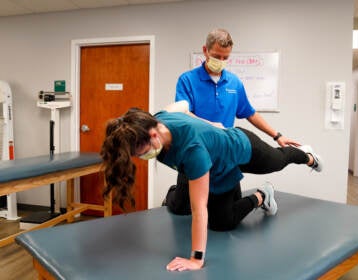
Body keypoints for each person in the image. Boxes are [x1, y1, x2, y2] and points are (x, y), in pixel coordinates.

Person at [100, 101, 323, 272]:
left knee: (277, 161)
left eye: (142, 152)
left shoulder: (192, 150)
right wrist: (208, 124)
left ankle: (302, 159)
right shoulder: (157, 118)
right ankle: (258, 197)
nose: (143, 157)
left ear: (154, 134)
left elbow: (199, 211)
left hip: (242, 150)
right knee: (196, 213)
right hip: (210, 166)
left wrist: (196, 259)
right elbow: (183, 105)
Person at [171, 28, 304, 205]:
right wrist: (211, 125)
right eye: (217, 56)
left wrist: (277, 135)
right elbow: (183, 114)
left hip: (224, 154)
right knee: (181, 208)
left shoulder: (234, 82)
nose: (221, 61)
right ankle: (172, 193)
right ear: (205, 50)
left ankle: (263, 196)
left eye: (226, 57)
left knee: (228, 214)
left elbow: (250, 113)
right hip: (194, 150)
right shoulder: (187, 80)